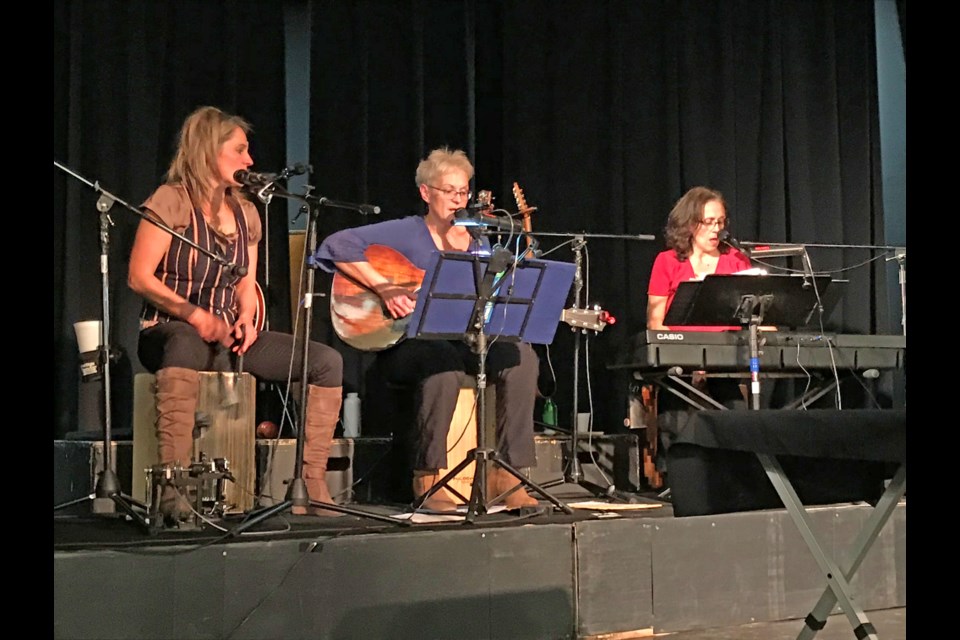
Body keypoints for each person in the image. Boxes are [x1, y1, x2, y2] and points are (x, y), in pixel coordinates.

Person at [128, 106, 344, 522]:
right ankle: (172, 485)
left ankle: (309, 483)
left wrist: (245, 317)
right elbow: (139, 277)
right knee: (185, 341)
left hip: (227, 336)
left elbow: (246, 283)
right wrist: (193, 314)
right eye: (240, 150)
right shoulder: (170, 200)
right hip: (170, 334)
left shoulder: (246, 212)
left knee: (325, 361)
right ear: (208, 150)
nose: (249, 161)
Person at [314, 146, 540, 512]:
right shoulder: (407, 232)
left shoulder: (479, 241)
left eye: (463, 191)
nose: (457, 199)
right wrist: (384, 287)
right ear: (426, 193)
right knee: (443, 366)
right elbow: (335, 245)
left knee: (521, 357)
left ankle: (507, 474)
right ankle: (428, 477)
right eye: (449, 191)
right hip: (408, 344)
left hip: (464, 340)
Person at [646, 186, 752, 332]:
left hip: (732, 350)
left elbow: (757, 320)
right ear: (690, 224)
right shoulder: (667, 260)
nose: (716, 229)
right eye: (709, 222)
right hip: (681, 350)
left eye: (720, 222)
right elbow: (655, 322)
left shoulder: (737, 259)